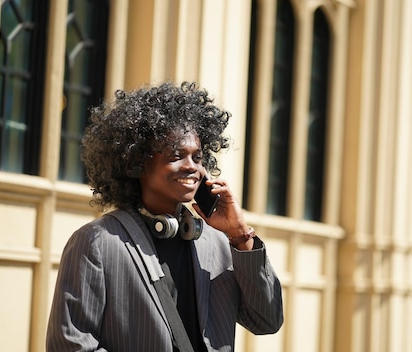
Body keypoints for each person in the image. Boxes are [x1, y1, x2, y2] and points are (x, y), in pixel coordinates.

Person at [46, 81, 284, 351]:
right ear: (137, 162)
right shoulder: (96, 243)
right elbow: (70, 345)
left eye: (198, 157)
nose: (191, 167)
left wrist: (240, 234)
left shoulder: (220, 242)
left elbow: (267, 320)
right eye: (176, 155)